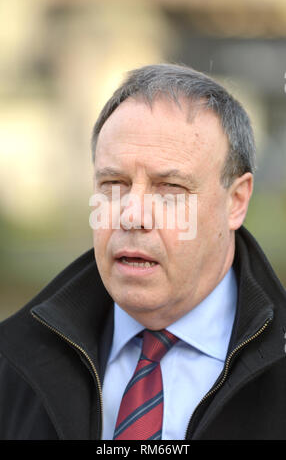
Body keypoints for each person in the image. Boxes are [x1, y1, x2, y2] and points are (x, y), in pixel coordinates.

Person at [0, 63, 286, 441]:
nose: (132, 215)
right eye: (113, 183)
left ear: (236, 201)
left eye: (169, 187)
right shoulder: (12, 362)